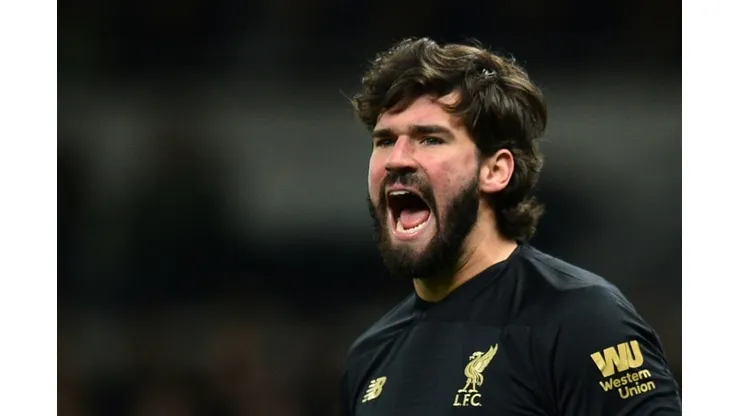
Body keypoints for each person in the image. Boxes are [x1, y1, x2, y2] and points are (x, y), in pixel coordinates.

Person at [339, 38, 681, 415]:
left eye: (430, 139)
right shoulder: (369, 356)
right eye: (385, 141)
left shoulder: (581, 319)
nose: (397, 160)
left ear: (495, 170)